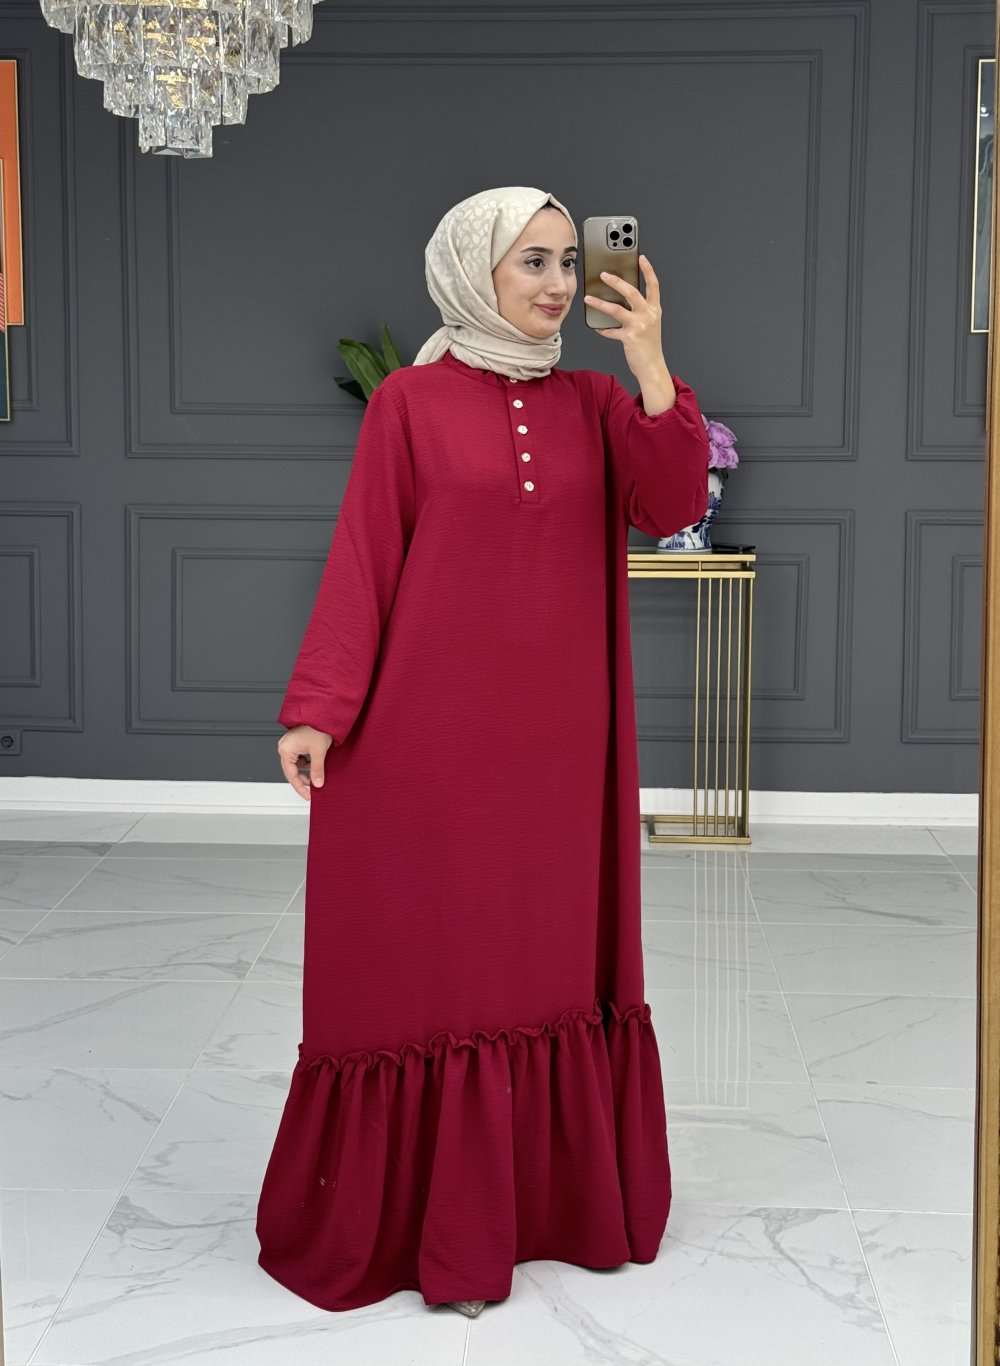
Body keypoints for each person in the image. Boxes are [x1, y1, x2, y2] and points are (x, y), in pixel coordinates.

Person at [256, 186, 710, 1318]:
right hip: (427, 740)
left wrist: (652, 362)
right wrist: (318, 707)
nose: (557, 283)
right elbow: (366, 555)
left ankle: (547, 1211)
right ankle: (436, 1228)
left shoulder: (597, 402)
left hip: (560, 753)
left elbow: (672, 504)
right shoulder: (407, 403)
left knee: (539, 965)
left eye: (567, 261)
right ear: (473, 271)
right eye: (530, 262)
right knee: (436, 962)